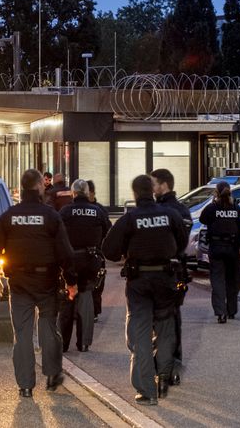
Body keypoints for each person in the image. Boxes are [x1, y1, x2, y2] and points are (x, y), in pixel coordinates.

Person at [0, 169, 78, 398]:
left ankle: (26, 385)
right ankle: (52, 374)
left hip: (18, 283)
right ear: (39, 186)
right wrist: (71, 282)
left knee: (23, 334)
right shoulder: (50, 216)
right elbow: (65, 252)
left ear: (22, 186)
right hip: (46, 281)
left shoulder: (9, 216)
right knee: (48, 329)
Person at [102, 175, 189, 405]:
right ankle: (163, 376)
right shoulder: (170, 215)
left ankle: (146, 391)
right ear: (152, 190)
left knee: (140, 334)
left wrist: (125, 252)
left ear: (134, 194)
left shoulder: (130, 219)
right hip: (166, 279)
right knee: (165, 328)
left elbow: (108, 249)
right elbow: (182, 242)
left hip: (139, 281)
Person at [150, 169, 193, 385]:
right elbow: (183, 242)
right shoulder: (182, 210)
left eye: (154, 184)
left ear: (164, 185)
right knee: (173, 318)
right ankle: (173, 365)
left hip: (162, 271)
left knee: (158, 320)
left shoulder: (160, 210)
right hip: (176, 271)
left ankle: (162, 365)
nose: (152, 189)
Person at [58, 179, 111, 352]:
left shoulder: (65, 211)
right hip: (91, 260)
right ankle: (83, 343)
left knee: (67, 299)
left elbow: (57, 235)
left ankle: (63, 343)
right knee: (86, 297)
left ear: (73, 194)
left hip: (70, 260)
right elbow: (108, 232)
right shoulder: (98, 211)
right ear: (88, 193)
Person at [199, 181, 240, 323]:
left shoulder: (212, 208)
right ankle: (231, 311)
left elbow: (202, 219)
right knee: (232, 281)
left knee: (217, 281)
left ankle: (221, 313)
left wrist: (213, 202)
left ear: (216, 193)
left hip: (216, 248)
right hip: (232, 249)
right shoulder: (236, 209)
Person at [87, 180, 105, 320]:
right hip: (93, 255)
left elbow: (108, 231)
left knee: (96, 285)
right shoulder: (99, 210)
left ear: (92, 193)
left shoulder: (100, 210)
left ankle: (93, 311)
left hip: (96, 253)